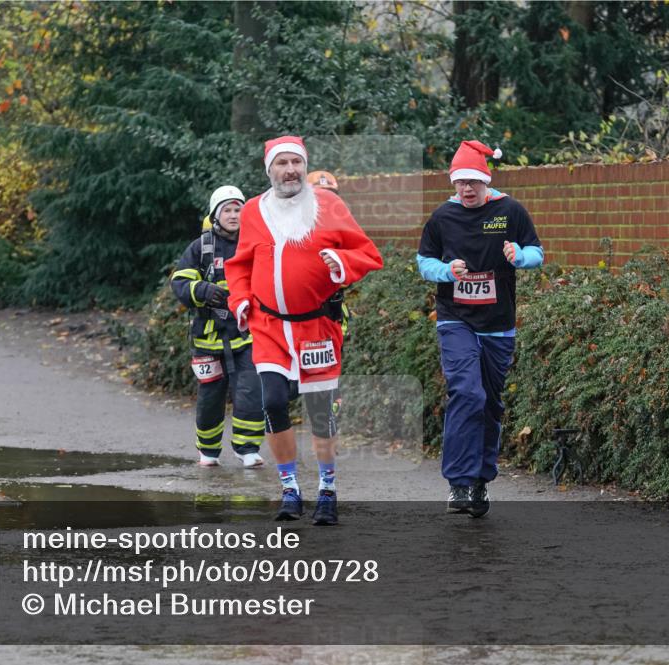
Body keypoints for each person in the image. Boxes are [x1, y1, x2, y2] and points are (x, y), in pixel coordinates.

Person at [225, 136, 383, 525]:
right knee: (274, 402)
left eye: (296, 162)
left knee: (320, 413)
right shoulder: (253, 211)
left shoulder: (328, 204)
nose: (290, 170)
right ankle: (290, 489)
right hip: (270, 327)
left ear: (305, 166)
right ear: (269, 170)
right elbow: (239, 264)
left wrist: (340, 261)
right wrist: (240, 300)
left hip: (317, 328)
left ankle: (327, 490)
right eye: (282, 163)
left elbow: (368, 254)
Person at [417, 140, 543, 518]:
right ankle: (458, 482)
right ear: (453, 184)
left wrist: (519, 257)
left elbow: (537, 253)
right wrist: (445, 270)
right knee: (467, 393)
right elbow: (423, 262)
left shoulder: (510, 211)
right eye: (460, 182)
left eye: (473, 181)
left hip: (498, 325)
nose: (467, 189)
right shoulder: (443, 217)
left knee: (489, 403)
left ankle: (480, 480)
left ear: (486, 179)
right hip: (456, 318)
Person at [170, 186, 266, 468]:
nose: (234, 215)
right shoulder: (201, 247)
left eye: (238, 209)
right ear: (216, 214)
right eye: (228, 210)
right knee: (210, 398)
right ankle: (208, 451)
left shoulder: (254, 243)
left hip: (247, 334)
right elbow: (179, 282)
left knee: (251, 392)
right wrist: (200, 289)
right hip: (208, 338)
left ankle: (247, 449)